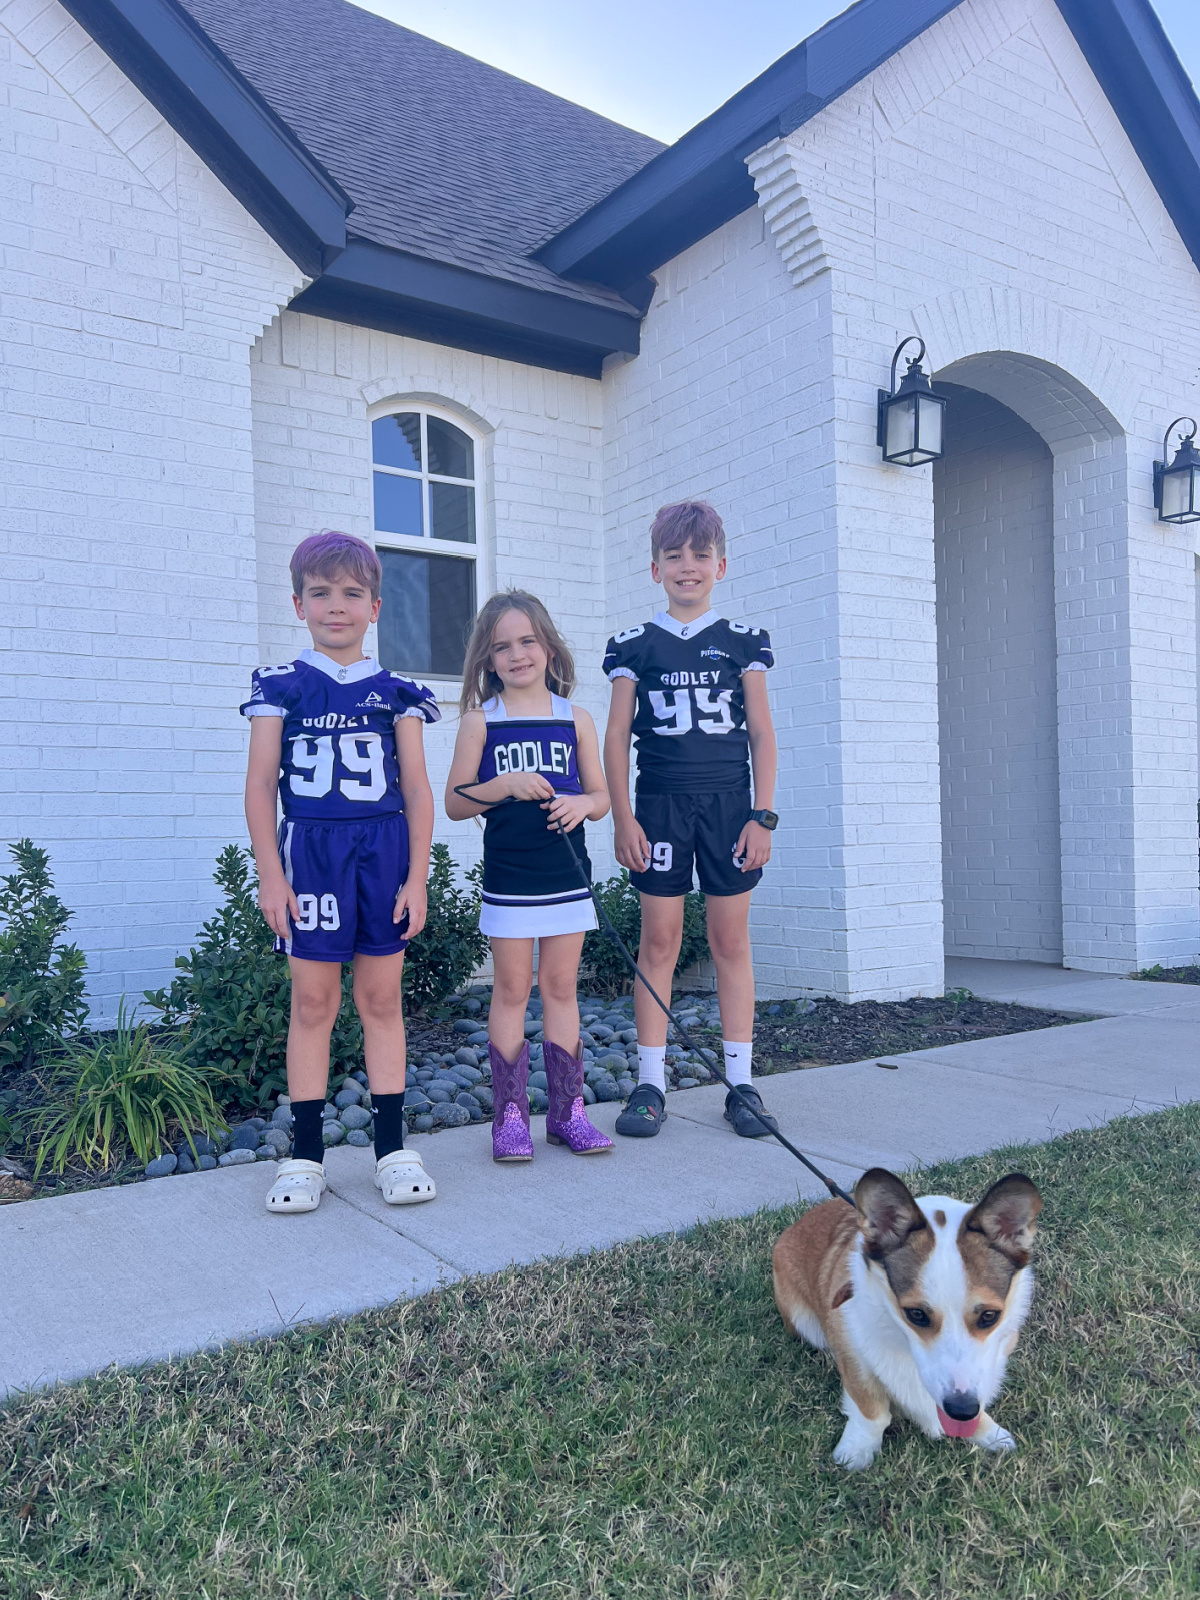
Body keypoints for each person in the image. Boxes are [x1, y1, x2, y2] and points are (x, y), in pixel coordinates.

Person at [242, 531, 439, 1214]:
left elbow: (416, 789)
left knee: (382, 1001)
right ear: (298, 603)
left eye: (351, 593)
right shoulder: (282, 688)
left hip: (381, 853)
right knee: (313, 1004)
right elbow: (260, 784)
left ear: (376, 606)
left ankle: (391, 1147)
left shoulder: (399, 694)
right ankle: (304, 1155)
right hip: (313, 854)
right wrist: (271, 874)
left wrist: (417, 877)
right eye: (320, 593)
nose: (336, 606)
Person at [602, 501, 780, 1140]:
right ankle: (650, 1083)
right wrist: (623, 818)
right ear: (655, 568)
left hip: (730, 808)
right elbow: (617, 736)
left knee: (732, 941)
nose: (687, 566)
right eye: (674, 556)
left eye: (699, 555)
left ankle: (741, 1083)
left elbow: (761, 732)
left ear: (721, 565)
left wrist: (762, 816)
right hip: (661, 807)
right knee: (660, 941)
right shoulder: (634, 646)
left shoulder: (743, 641)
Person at [445, 592, 614, 1162]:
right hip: (511, 879)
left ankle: (568, 1113)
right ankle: (509, 1117)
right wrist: (506, 786)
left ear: (547, 646)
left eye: (526, 641)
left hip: (567, 876)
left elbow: (602, 795)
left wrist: (583, 806)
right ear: (487, 660)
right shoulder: (481, 721)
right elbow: (456, 802)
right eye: (501, 647)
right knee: (513, 989)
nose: (517, 654)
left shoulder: (576, 718)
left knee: (562, 988)